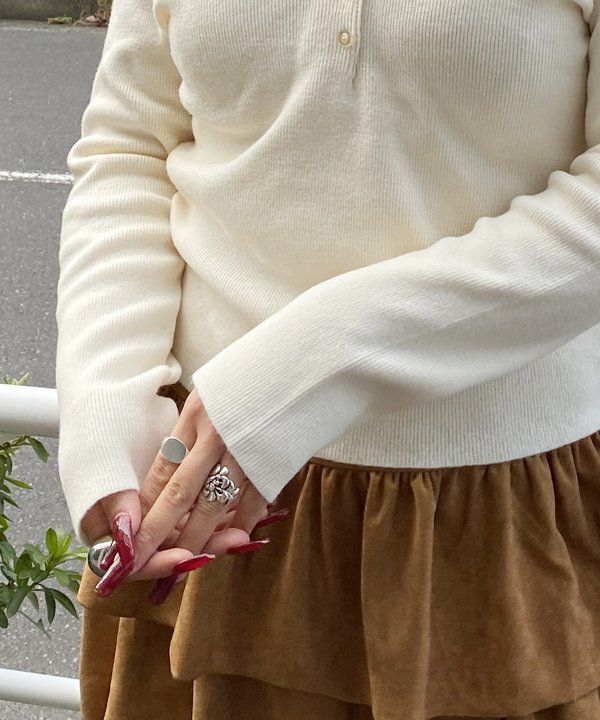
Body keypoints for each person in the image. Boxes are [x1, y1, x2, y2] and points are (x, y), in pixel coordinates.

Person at [55, 0, 600, 717]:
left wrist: (306, 369)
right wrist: (105, 405)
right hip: (206, 503)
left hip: (493, 523)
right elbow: (129, 146)